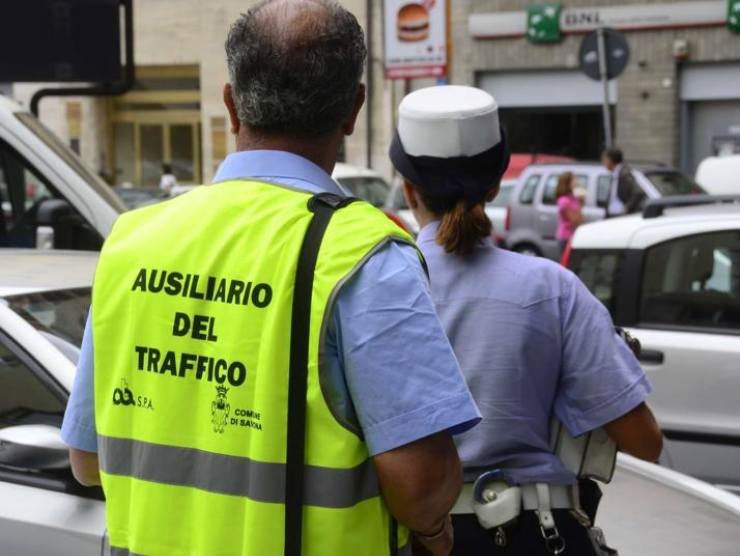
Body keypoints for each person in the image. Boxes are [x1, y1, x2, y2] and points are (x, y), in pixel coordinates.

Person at [60, 3, 481, 555]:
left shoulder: (132, 240)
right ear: (354, 110)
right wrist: (432, 531)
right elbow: (422, 484)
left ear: (232, 105)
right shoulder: (364, 255)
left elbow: (87, 463)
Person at [389, 85, 663, 556]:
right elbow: (645, 441)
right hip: (541, 534)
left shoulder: (379, 288)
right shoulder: (552, 288)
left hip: (420, 539)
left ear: (409, 188)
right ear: (496, 185)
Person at [602, 147, 645, 216]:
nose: (603, 163)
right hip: (612, 215)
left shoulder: (624, 173)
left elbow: (638, 192)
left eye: (604, 159)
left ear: (610, 160)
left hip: (620, 216)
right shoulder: (615, 173)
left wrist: (627, 209)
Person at [555, 171, 582, 253]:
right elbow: (574, 220)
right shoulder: (564, 200)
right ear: (567, 183)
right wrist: (581, 203)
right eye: (574, 180)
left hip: (573, 236)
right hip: (565, 237)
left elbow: (580, 219)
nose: (577, 182)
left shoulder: (573, 197)